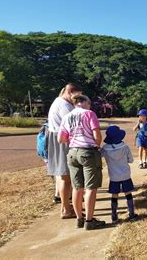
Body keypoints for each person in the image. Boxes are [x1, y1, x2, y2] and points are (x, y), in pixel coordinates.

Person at [58, 94, 105, 230]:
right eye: (89, 104)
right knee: (91, 187)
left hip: (72, 152)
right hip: (88, 151)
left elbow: (61, 139)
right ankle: (90, 221)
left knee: (77, 187)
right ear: (85, 102)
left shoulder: (67, 117)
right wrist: (96, 146)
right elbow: (97, 136)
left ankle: (80, 218)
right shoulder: (89, 114)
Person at [47, 83, 82, 218]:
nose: (77, 100)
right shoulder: (63, 105)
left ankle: (66, 207)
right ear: (69, 92)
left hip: (59, 139)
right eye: (77, 96)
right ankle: (67, 210)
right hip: (62, 141)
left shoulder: (60, 102)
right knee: (65, 177)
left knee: (66, 177)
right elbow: (72, 124)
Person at [101, 125, 138, 223]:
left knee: (114, 195)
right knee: (128, 193)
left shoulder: (105, 148)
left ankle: (114, 216)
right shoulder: (125, 147)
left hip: (113, 176)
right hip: (125, 174)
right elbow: (131, 160)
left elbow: (99, 155)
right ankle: (132, 214)